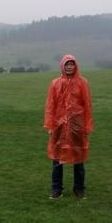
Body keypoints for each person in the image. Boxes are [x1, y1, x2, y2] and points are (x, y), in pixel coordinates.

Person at [44, 55, 93, 200]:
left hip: (77, 126)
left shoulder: (82, 83)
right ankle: (56, 189)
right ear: (62, 66)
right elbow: (50, 105)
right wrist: (50, 125)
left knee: (79, 159)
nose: (69, 67)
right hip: (59, 126)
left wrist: (87, 125)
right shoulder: (55, 83)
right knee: (57, 159)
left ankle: (79, 189)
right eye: (67, 64)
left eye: (72, 64)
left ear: (75, 66)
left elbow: (87, 105)